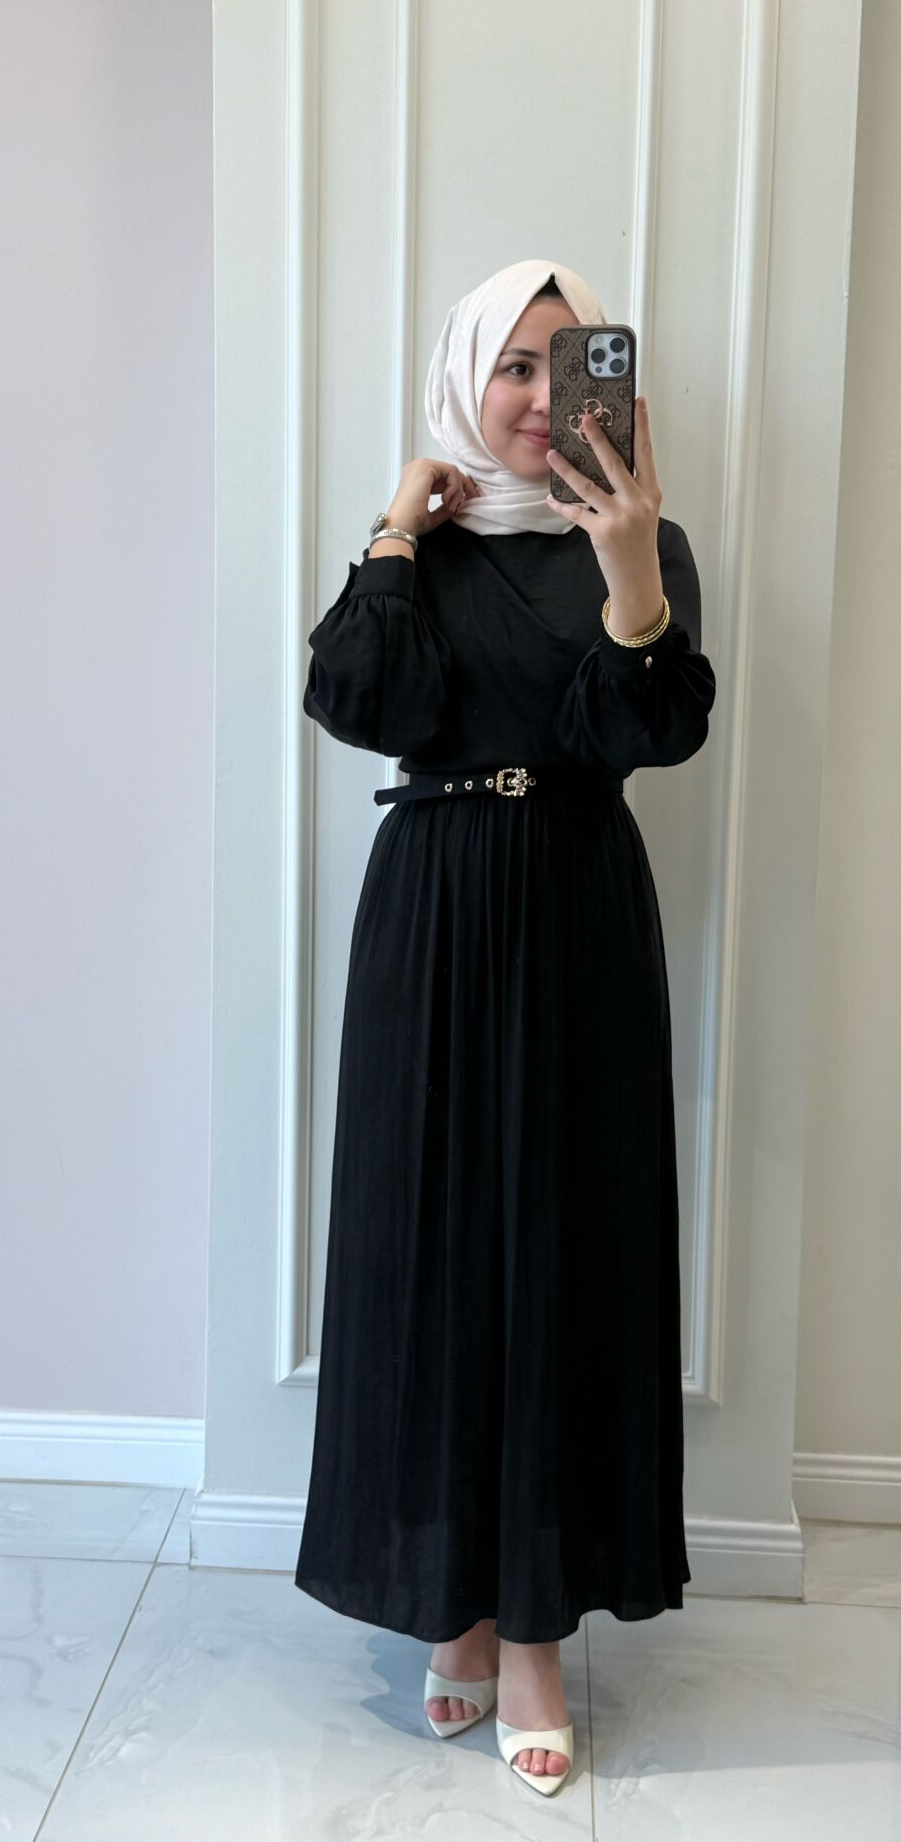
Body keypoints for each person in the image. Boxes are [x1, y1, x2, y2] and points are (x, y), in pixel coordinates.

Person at [292, 259, 717, 1799]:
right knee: (431, 1249)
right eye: (513, 367)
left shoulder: (644, 539)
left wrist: (627, 572)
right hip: (431, 913)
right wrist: (396, 529)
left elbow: (646, 732)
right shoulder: (423, 546)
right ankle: (450, 1607)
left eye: (569, 364)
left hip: (577, 911)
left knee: (560, 1253)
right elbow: (359, 700)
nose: (541, 398)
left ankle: (532, 1630)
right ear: (465, 379)